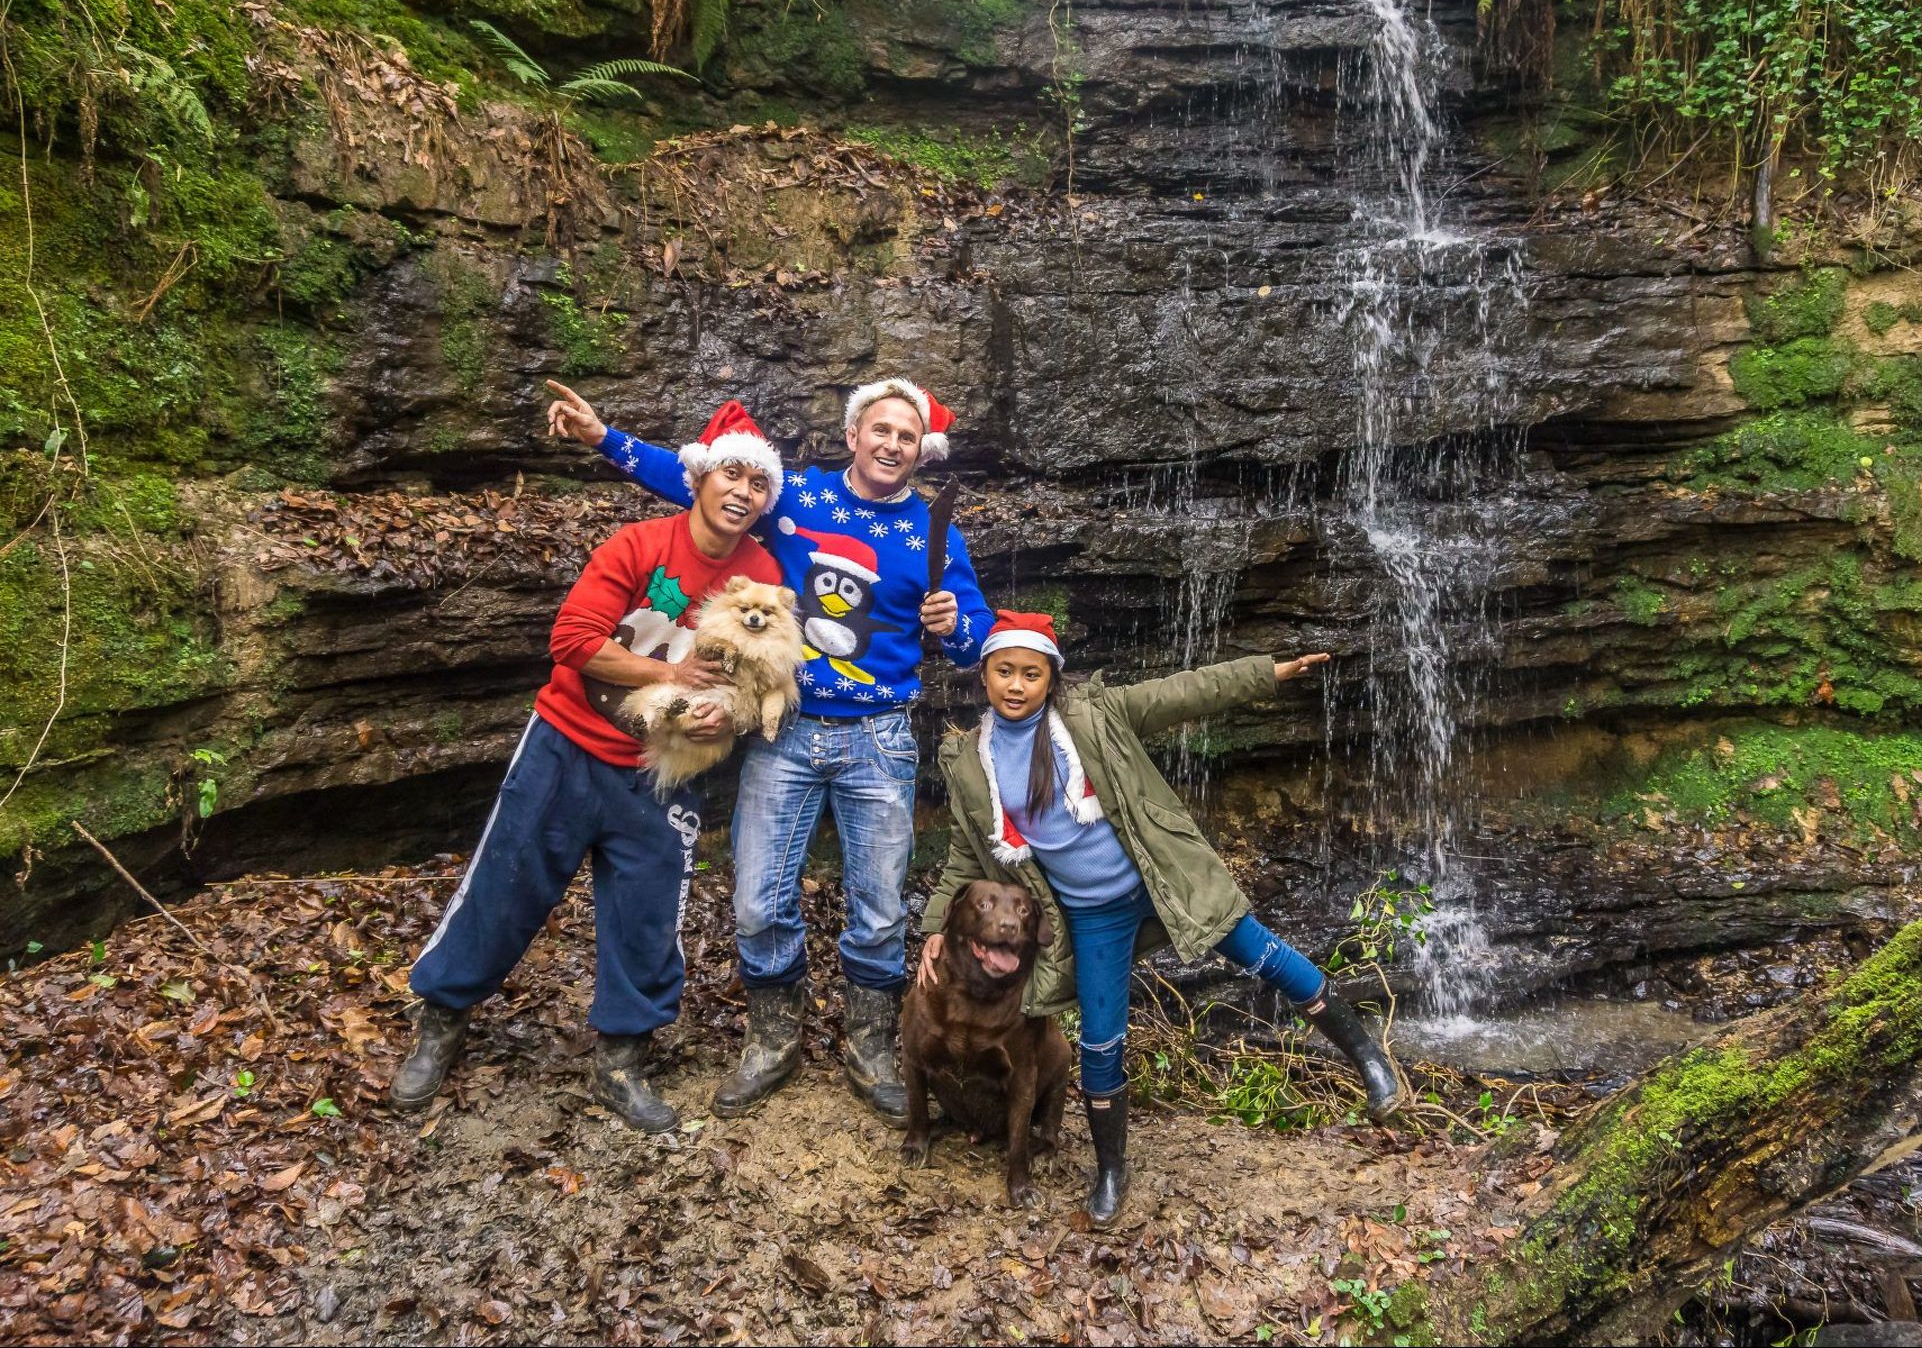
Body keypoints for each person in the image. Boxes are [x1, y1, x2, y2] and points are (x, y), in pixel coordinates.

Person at [544, 376, 996, 1125]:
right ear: (853, 435)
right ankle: (772, 1039)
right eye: (879, 430)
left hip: (880, 737)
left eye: (906, 437)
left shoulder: (935, 534)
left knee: (881, 907)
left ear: (922, 452)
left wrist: (955, 626)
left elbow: (976, 639)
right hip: (783, 729)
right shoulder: (798, 498)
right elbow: (696, 476)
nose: (890, 445)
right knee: (757, 901)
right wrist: (603, 440)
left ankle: (870, 1045)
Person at [919, 611, 1404, 1220]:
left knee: (1262, 954)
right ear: (985, 676)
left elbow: (1184, 693)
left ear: (1051, 679)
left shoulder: (1095, 715)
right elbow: (970, 849)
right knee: (1098, 1043)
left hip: (1161, 879)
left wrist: (1269, 673)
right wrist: (938, 924)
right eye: (1005, 672)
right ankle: (1111, 1171)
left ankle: (1368, 1058)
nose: (1017, 686)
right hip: (1091, 916)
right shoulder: (971, 761)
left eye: (1031, 674)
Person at [389, 401, 785, 1134]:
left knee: (648, 913)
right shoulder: (639, 544)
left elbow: (758, 680)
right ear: (698, 476)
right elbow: (572, 638)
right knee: (507, 880)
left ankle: (621, 1059)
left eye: (761, 484)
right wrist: (670, 675)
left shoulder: (760, 570)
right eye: (732, 471)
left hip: (664, 768)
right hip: (568, 741)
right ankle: (442, 1019)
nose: (744, 491)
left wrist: (725, 712)